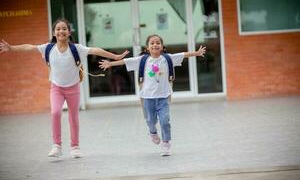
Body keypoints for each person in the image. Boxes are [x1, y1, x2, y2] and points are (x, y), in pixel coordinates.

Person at [0, 18, 129, 158]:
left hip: (73, 88)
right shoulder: (48, 48)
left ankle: (75, 147)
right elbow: (29, 47)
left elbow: (95, 50)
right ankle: (57, 145)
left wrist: (115, 56)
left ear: (69, 32)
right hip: (56, 88)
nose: (61, 31)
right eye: (58, 29)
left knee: (73, 117)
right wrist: (11, 48)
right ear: (54, 33)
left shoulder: (77, 49)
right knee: (55, 112)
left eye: (64, 29)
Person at [99, 34, 206, 156]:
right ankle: (153, 132)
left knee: (165, 120)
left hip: (163, 97)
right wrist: (110, 64)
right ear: (147, 47)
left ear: (162, 46)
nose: (155, 45)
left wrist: (196, 53)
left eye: (158, 43)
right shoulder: (142, 60)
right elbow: (125, 61)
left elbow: (183, 54)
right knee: (150, 120)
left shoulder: (168, 58)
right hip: (147, 98)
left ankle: (166, 143)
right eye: (152, 43)